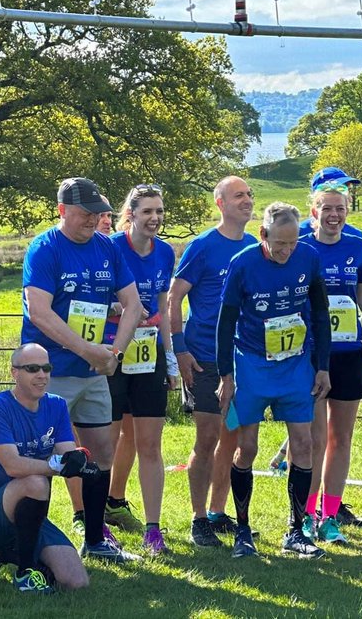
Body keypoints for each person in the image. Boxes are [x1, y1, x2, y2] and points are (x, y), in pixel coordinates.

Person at [21, 177, 144, 563]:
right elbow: (39, 312)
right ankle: (26, 544)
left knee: (101, 452)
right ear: (62, 210)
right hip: (48, 372)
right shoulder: (44, 249)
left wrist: (113, 353)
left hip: (94, 373)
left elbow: (134, 304)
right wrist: (90, 349)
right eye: (85, 214)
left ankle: (95, 539)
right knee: (38, 460)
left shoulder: (107, 248)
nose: (93, 220)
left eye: (98, 214)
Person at [217, 202, 332, 559]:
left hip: (295, 364)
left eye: (292, 243)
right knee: (247, 448)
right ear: (263, 235)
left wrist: (322, 366)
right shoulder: (243, 264)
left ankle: (296, 530)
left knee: (304, 444)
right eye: (279, 244)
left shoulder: (308, 259)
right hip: (252, 365)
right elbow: (225, 323)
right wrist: (227, 376)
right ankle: (243, 529)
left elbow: (320, 313)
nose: (286, 251)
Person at [168, 176, 257, 547]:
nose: (247, 201)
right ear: (220, 203)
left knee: (234, 437)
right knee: (207, 437)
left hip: (242, 360)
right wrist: (180, 348)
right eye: (239, 196)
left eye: (250, 195)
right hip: (204, 358)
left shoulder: (255, 246)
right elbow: (174, 297)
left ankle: (219, 512)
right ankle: (198, 518)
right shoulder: (203, 246)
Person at [299, 183, 362, 545]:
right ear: (314, 211)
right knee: (313, 439)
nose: (334, 215)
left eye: (340, 209)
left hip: (351, 354)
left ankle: (330, 515)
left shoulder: (356, 247)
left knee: (342, 438)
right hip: (313, 356)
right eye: (327, 208)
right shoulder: (302, 247)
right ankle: (304, 514)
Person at [0, 343, 91, 594]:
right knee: (35, 481)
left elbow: (67, 454)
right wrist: (58, 466)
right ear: (14, 373)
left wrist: (79, 462)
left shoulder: (56, 405)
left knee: (75, 581)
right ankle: (25, 573)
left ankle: (1, 553)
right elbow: (13, 466)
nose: (42, 375)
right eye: (32, 369)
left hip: (30, 514)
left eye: (46, 368)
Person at [104, 184, 178, 554]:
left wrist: (171, 357)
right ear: (130, 214)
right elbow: (96, 297)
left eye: (159, 211)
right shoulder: (111, 247)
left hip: (149, 355)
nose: (155, 218)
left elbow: (162, 308)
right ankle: (98, 521)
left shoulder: (165, 252)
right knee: (108, 441)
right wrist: (117, 311)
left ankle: (153, 528)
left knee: (150, 443)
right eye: (147, 211)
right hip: (114, 352)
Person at [299, 167, 362, 239]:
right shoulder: (297, 233)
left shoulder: (356, 237)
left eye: (347, 189)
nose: (345, 194)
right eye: (339, 187)